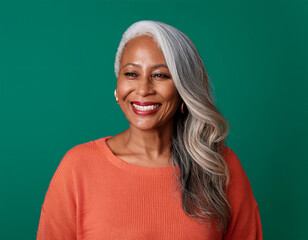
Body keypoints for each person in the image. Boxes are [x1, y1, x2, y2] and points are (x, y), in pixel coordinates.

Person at [37, 20, 262, 240]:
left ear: (184, 89)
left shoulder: (220, 166)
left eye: (160, 75)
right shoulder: (78, 167)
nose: (143, 89)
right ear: (118, 86)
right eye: (132, 74)